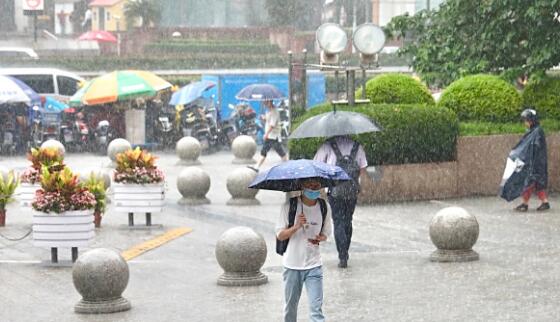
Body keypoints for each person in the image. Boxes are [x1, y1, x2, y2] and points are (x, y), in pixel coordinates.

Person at [276, 179, 332, 322]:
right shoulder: (289, 205)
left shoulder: (324, 206)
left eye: (316, 185)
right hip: (292, 266)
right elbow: (280, 235)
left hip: (314, 265)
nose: (313, 188)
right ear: (302, 186)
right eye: (309, 185)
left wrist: (320, 238)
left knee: (316, 311)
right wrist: (296, 226)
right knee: (290, 309)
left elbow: (326, 233)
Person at [314, 135, 368, 268]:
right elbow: (362, 167)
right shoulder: (357, 146)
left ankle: (342, 255)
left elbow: (317, 165)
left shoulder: (327, 145)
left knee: (338, 221)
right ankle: (346, 251)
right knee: (348, 220)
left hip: (335, 191)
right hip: (352, 191)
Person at [514, 109, 550, 212]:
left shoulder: (536, 131)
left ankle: (525, 204)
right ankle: (544, 202)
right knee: (537, 184)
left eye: (526, 120)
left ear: (531, 120)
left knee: (529, 183)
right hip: (537, 162)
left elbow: (534, 147)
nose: (525, 123)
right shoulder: (535, 130)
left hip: (536, 163)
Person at [256, 100, 288, 169]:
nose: (265, 105)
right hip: (271, 136)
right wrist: (264, 118)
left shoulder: (274, 112)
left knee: (279, 152)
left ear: (270, 102)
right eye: (264, 103)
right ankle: (257, 167)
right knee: (269, 151)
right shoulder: (269, 110)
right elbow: (269, 120)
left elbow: (272, 125)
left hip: (273, 136)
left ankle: (257, 166)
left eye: (266, 103)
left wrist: (266, 134)